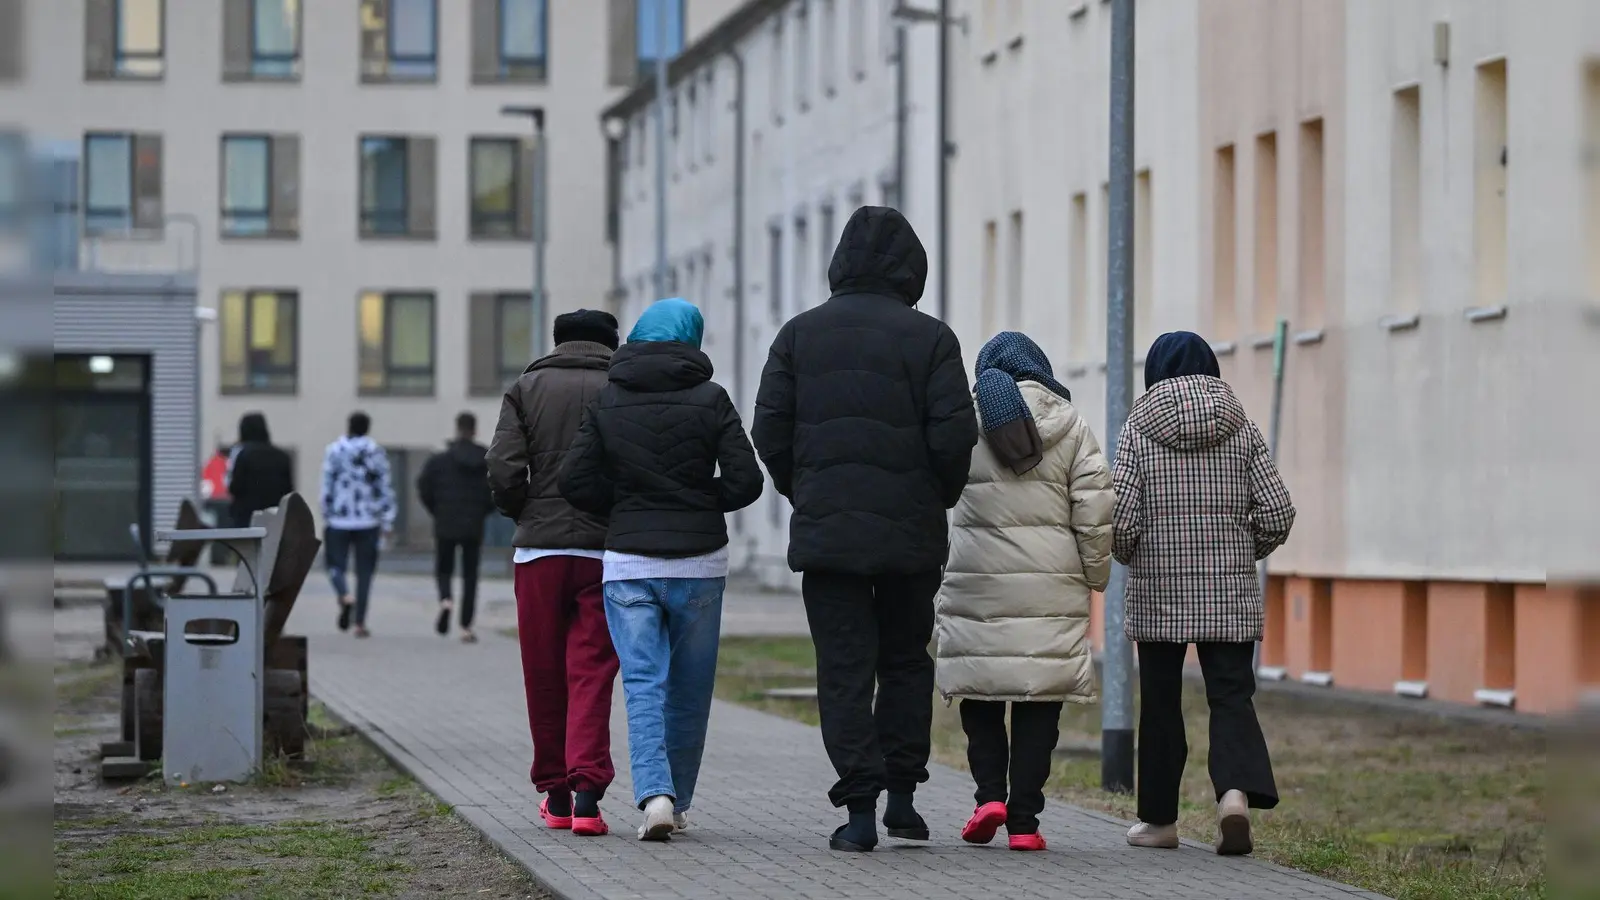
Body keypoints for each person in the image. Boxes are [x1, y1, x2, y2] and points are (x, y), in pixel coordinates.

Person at [752, 206, 978, 853]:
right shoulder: (932, 339)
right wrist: (935, 496)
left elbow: (770, 430)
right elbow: (954, 435)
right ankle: (903, 797)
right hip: (910, 536)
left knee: (844, 670)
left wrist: (809, 491)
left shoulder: (798, 336)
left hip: (830, 540)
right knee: (906, 662)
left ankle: (858, 811)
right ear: (912, 268)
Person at [560, 298, 763, 841]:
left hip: (628, 561)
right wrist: (700, 499)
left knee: (643, 684)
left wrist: (626, 506)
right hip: (699, 562)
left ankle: (656, 796)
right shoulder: (711, 398)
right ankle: (680, 798)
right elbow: (747, 481)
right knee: (690, 689)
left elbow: (574, 481)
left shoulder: (609, 399)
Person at [1113, 331, 1296, 856]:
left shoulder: (1137, 428)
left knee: (1162, 704)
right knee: (1231, 696)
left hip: (1160, 590)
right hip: (1229, 588)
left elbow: (1120, 521)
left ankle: (1159, 821)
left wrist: (1135, 556)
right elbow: (1278, 511)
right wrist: (1245, 549)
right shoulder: (1241, 425)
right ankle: (1234, 795)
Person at [935, 332, 1113, 852]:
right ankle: (1025, 822)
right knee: (1041, 701)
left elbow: (935, 492)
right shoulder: (1072, 425)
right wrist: (1094, 577)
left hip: (975, 582)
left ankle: (988, 796)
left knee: (980, 688)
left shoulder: (964, 423)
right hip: (1050, 587)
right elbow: (1096, 508)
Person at [487, 308, 622, 838]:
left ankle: (557, 798)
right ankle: (588, 798)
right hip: (604, 552)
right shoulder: (623, 385)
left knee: (543, 674)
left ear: (558, 341)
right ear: (613, 342)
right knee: (591, 673)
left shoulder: (526, 387)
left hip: (538, 552)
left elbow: (502, 465)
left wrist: (522, 509)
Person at [417, 412, 495, 642]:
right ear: (474, 430)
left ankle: (446, 600)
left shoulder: (439, 461)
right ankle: (466, 626)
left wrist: (437, 511)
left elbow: (423, 488)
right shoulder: (486, 460)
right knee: (470, 575)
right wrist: (483, 512)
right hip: (473, 524)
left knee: (444, 568)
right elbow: (497, 489)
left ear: (457, 428)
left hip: (445, 523)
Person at [321, 411, 396, 638]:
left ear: (349, 426)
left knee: (334, 564)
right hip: (368, 520)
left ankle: (344, 595)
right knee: (365, 572)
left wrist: (326, 512)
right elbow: (384, 486)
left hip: (339, 519)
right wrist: (388, 518)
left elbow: (326, 485)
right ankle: (360, 623)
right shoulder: (375, 451)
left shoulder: (334, 451)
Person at [225, 413, 294, 528]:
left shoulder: (243, 455)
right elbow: (288, 491)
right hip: (275, 520)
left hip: (247, 520)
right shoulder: (282, 456)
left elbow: (235, 487)